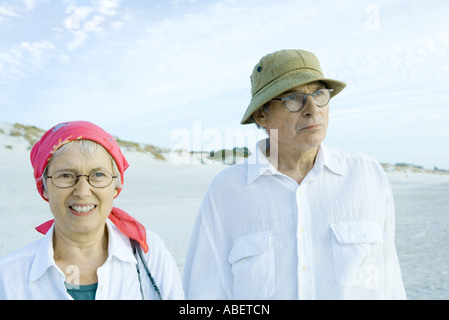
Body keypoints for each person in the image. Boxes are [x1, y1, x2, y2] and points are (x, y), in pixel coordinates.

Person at [183, 49, 406, 299]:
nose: (312, 109)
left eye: (320, 94)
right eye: (293, 98)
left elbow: (389, 282)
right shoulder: (226, 191)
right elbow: (205, 294)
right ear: (261, 114)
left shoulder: (367, 176)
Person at [0, 121, 184, 300]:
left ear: (115, 187)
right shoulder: (8, 276)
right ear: (44, 187)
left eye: (98, 175)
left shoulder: (149, 254)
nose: (82, 191)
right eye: (65, 175)